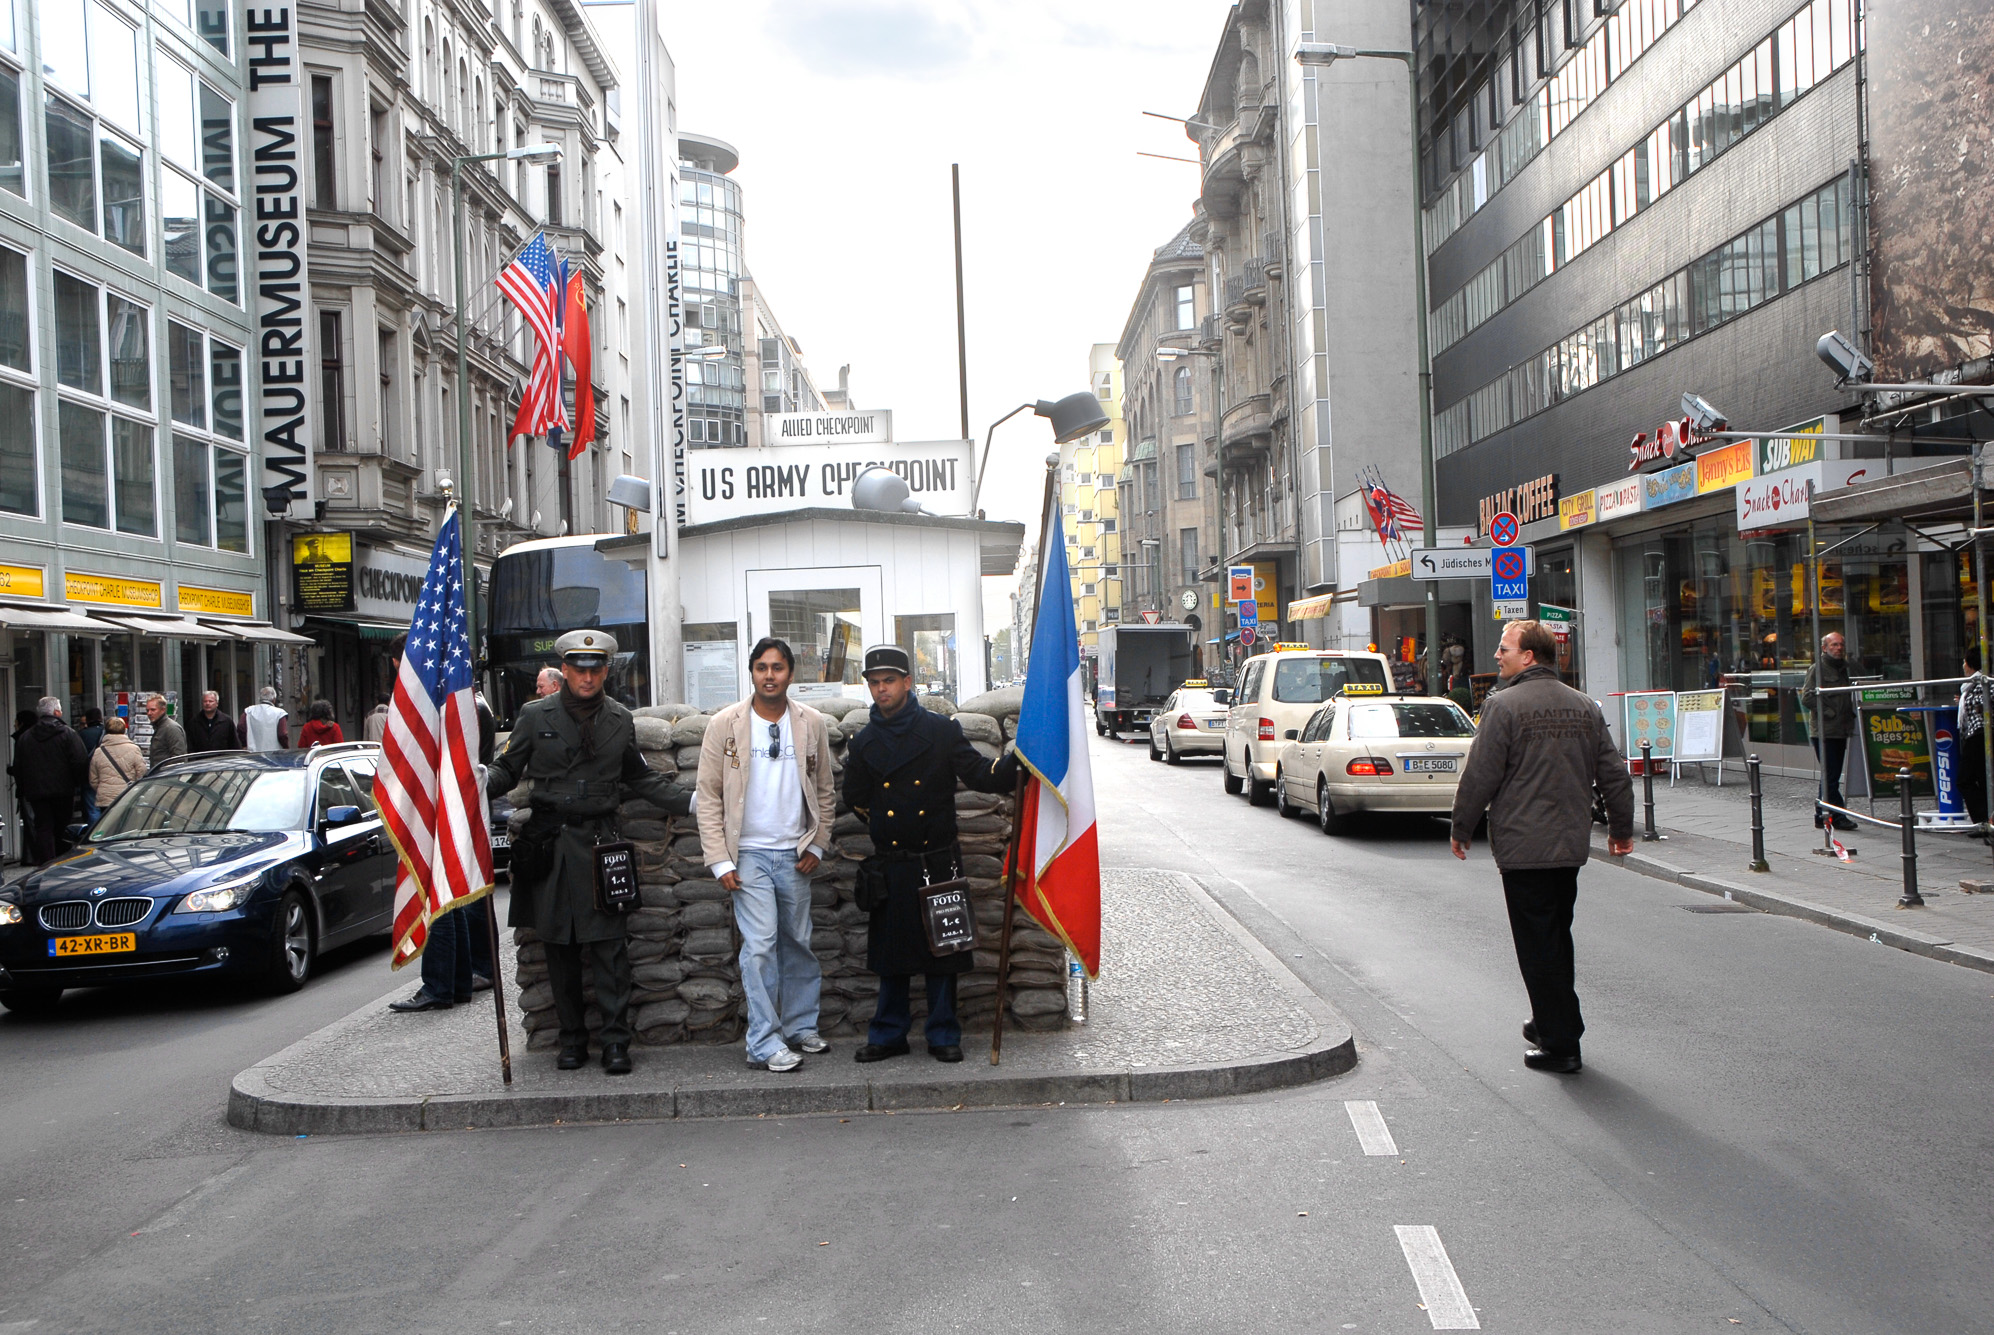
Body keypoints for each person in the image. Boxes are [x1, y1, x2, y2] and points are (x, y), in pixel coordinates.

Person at [484, 630, 678, 1074]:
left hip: (601, 846)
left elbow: (641, 778)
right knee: (559, 949)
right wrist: (475, 781)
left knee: (610, 951)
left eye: (596, 669)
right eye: (579, 669)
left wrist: (693, 799)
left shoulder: (618, 719)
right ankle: (571, 1041)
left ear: (606, 671)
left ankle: (615, 1042)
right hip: (552, 846)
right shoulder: (535, 716)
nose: (587, 677)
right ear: (564, 671)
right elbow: (507, 769)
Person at [1450, 620, 1634, 1075]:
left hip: (1523, 845)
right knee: (1556, 937)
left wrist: (1461, 826)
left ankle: (1561, 1043)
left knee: (1538, 947)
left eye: (1505, 648)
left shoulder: (1503, 706)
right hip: (1569, 846)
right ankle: (1549, 1019)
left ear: (1529, 656)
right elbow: (1612, 773)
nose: (1497, 655)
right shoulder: (1584, 707)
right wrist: (1621, 828)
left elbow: (1481, 774)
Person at [843, 644, 1019, 1064]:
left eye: (889, 681)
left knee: (945, 950)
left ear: (907, 683)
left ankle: (943, 1032)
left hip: (938, 858)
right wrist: (891, 828)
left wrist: (1017, 763)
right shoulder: (864, 741)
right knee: (892, 956)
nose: (881, 689)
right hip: (893, 861)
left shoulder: (941, 731)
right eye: (874, 682)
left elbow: (978, 773)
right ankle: (888, 1033)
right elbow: (856, 798)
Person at [697, 637, 836, 1073]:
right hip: (749, 855)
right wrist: (721, 860)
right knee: (759, 947)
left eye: (777, 667)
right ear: (752, 672)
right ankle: (762, 1041)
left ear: (791, 674)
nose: (769, 675)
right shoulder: (725, 725)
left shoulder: (811, 723)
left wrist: (817, 843)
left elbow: (826, 791)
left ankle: (799, 1026)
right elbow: (708, 796)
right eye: (761, 667)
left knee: (798, 942)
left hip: (795, 852)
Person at [386, 634, 493, 1015]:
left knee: (438, 900)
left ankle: (439, 986)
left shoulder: (442, 704)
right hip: (454, 805)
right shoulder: (459, 701)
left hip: (443, 804)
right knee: (452, 899)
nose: (398, 670)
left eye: (400, 663)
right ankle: (458, 982)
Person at [15, 697, 87, 864]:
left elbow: (18, 766)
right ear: (57, 712)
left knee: (43, 827)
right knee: (63, 827)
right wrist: (77, 783)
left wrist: (23, 788)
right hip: (63, 790)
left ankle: (46, 862)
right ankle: (61, 861)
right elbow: (80, 761)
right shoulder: (68, 734)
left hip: (37, 791)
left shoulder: (26, 738)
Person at [1800, 631, 1857, 831]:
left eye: (1841, 644)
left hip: (1840, 729)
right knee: (1831, 776)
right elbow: (1807, 697)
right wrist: (1829, 712)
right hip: (1825, 731)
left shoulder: (1842, 668)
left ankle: (1821, 814)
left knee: (1830, 775)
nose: (1839, 648)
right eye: (1834, 645)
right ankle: (1837, 815)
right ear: (1824, 648)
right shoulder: (1818, 669)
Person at [88, 716, 148, 812]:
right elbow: (142, 772)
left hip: (106, 799)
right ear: (124, 730)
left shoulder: (99, 752)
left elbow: (93, 779)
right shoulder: (134, 749)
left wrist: (104, 789)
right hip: (127, 796)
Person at [1959, 645, 1988, 831]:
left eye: (1964, 661)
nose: (1962, 665)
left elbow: (1986, 702)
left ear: (1970, 665)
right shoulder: (1970, 686)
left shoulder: (1982, 682)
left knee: (1965, 779)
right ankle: (1985, 819)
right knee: (1982, 779)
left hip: (1979, 736)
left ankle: (1982, 821)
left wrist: (1978, 707)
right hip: (1976, 735)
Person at [76, 707, 106, 822]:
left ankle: (95, 834)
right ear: (101, 718)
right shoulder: (108, 732)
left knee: (92, 809)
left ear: (87, 720)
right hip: (107, 775)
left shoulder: (82, 735)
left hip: (89, 776)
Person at [144, 694, 187, 768]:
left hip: (168, 776)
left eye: (153, 710)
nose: (149, 713)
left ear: (163, 710)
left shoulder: (171, 728)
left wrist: (164, 771)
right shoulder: (160, 727)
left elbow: (179, 757)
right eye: (147, 710)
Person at [242, 686, 290, 751]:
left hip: (253, 753)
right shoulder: (280, 713)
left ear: (260, 698)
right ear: (274, 699)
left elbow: (241, 728)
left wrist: (244, 744)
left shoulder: (249, 711)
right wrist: (286, 747)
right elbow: (282, 734)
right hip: (275, 754)